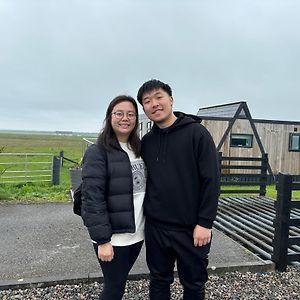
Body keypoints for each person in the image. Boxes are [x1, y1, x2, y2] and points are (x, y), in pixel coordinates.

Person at [137, 79, 220, 300]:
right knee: (158, 281)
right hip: (156, 228)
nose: (154, 104)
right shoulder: (147, 141)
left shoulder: (197, 134)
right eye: (147, 101)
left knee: (193, 284)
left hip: (192, 229)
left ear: (171, 100)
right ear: (143, 108)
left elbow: (211, 180)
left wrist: (205, 223)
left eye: (158, 97)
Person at [81, 95, 146, 300]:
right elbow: (92, 198)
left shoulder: (139, 148)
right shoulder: (98, 152)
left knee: (119, 283)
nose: (124, 118)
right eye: (119, 113)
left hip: (137, 233)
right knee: (114, 288)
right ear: (110, 117)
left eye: (130, 114)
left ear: (136, 119)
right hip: (113, 237)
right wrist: (103, 240)